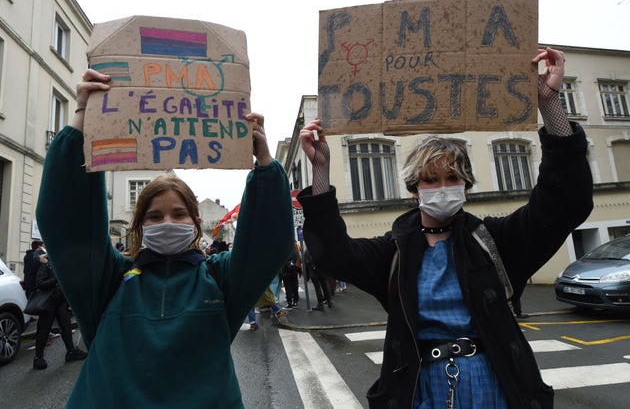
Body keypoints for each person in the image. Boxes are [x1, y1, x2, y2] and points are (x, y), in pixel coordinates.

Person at [297, 47, 593, 408]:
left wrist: (549, 104)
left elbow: (564, 203)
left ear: (466, 185)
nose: (441, 187)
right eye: (429, 179)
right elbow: (333, 254)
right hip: (422, 391)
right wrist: (321, 171)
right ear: (414, 190)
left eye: (452, 178)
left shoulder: (494, 241)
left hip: (497, 388)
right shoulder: (393, 252)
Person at [35, 69, 295, 407]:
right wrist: (83, 119)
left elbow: (268, 241)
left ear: (196, 222)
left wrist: (264, 163)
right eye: (155, 217)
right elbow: (67, 222)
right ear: (140, 226)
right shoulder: (108, 281)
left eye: (178, 214)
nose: (167, 223)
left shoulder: (221, 279)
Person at [32, 254, 88, 370]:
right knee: (44, 329)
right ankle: (38, 357)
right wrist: (56, 278)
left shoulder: (60, 263)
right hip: (48, 302)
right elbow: (40, 283)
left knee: (66, 326)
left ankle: (71, 352)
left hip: (60, 301)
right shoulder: (46, 263)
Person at [280, 243, 301, 308]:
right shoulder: (294, 247)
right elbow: (297, 256)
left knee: (288, 287)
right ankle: (295, 302)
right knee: (295, 286)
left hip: (286, 271)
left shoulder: (283, 248)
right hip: (293, 269)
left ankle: (290, 303)